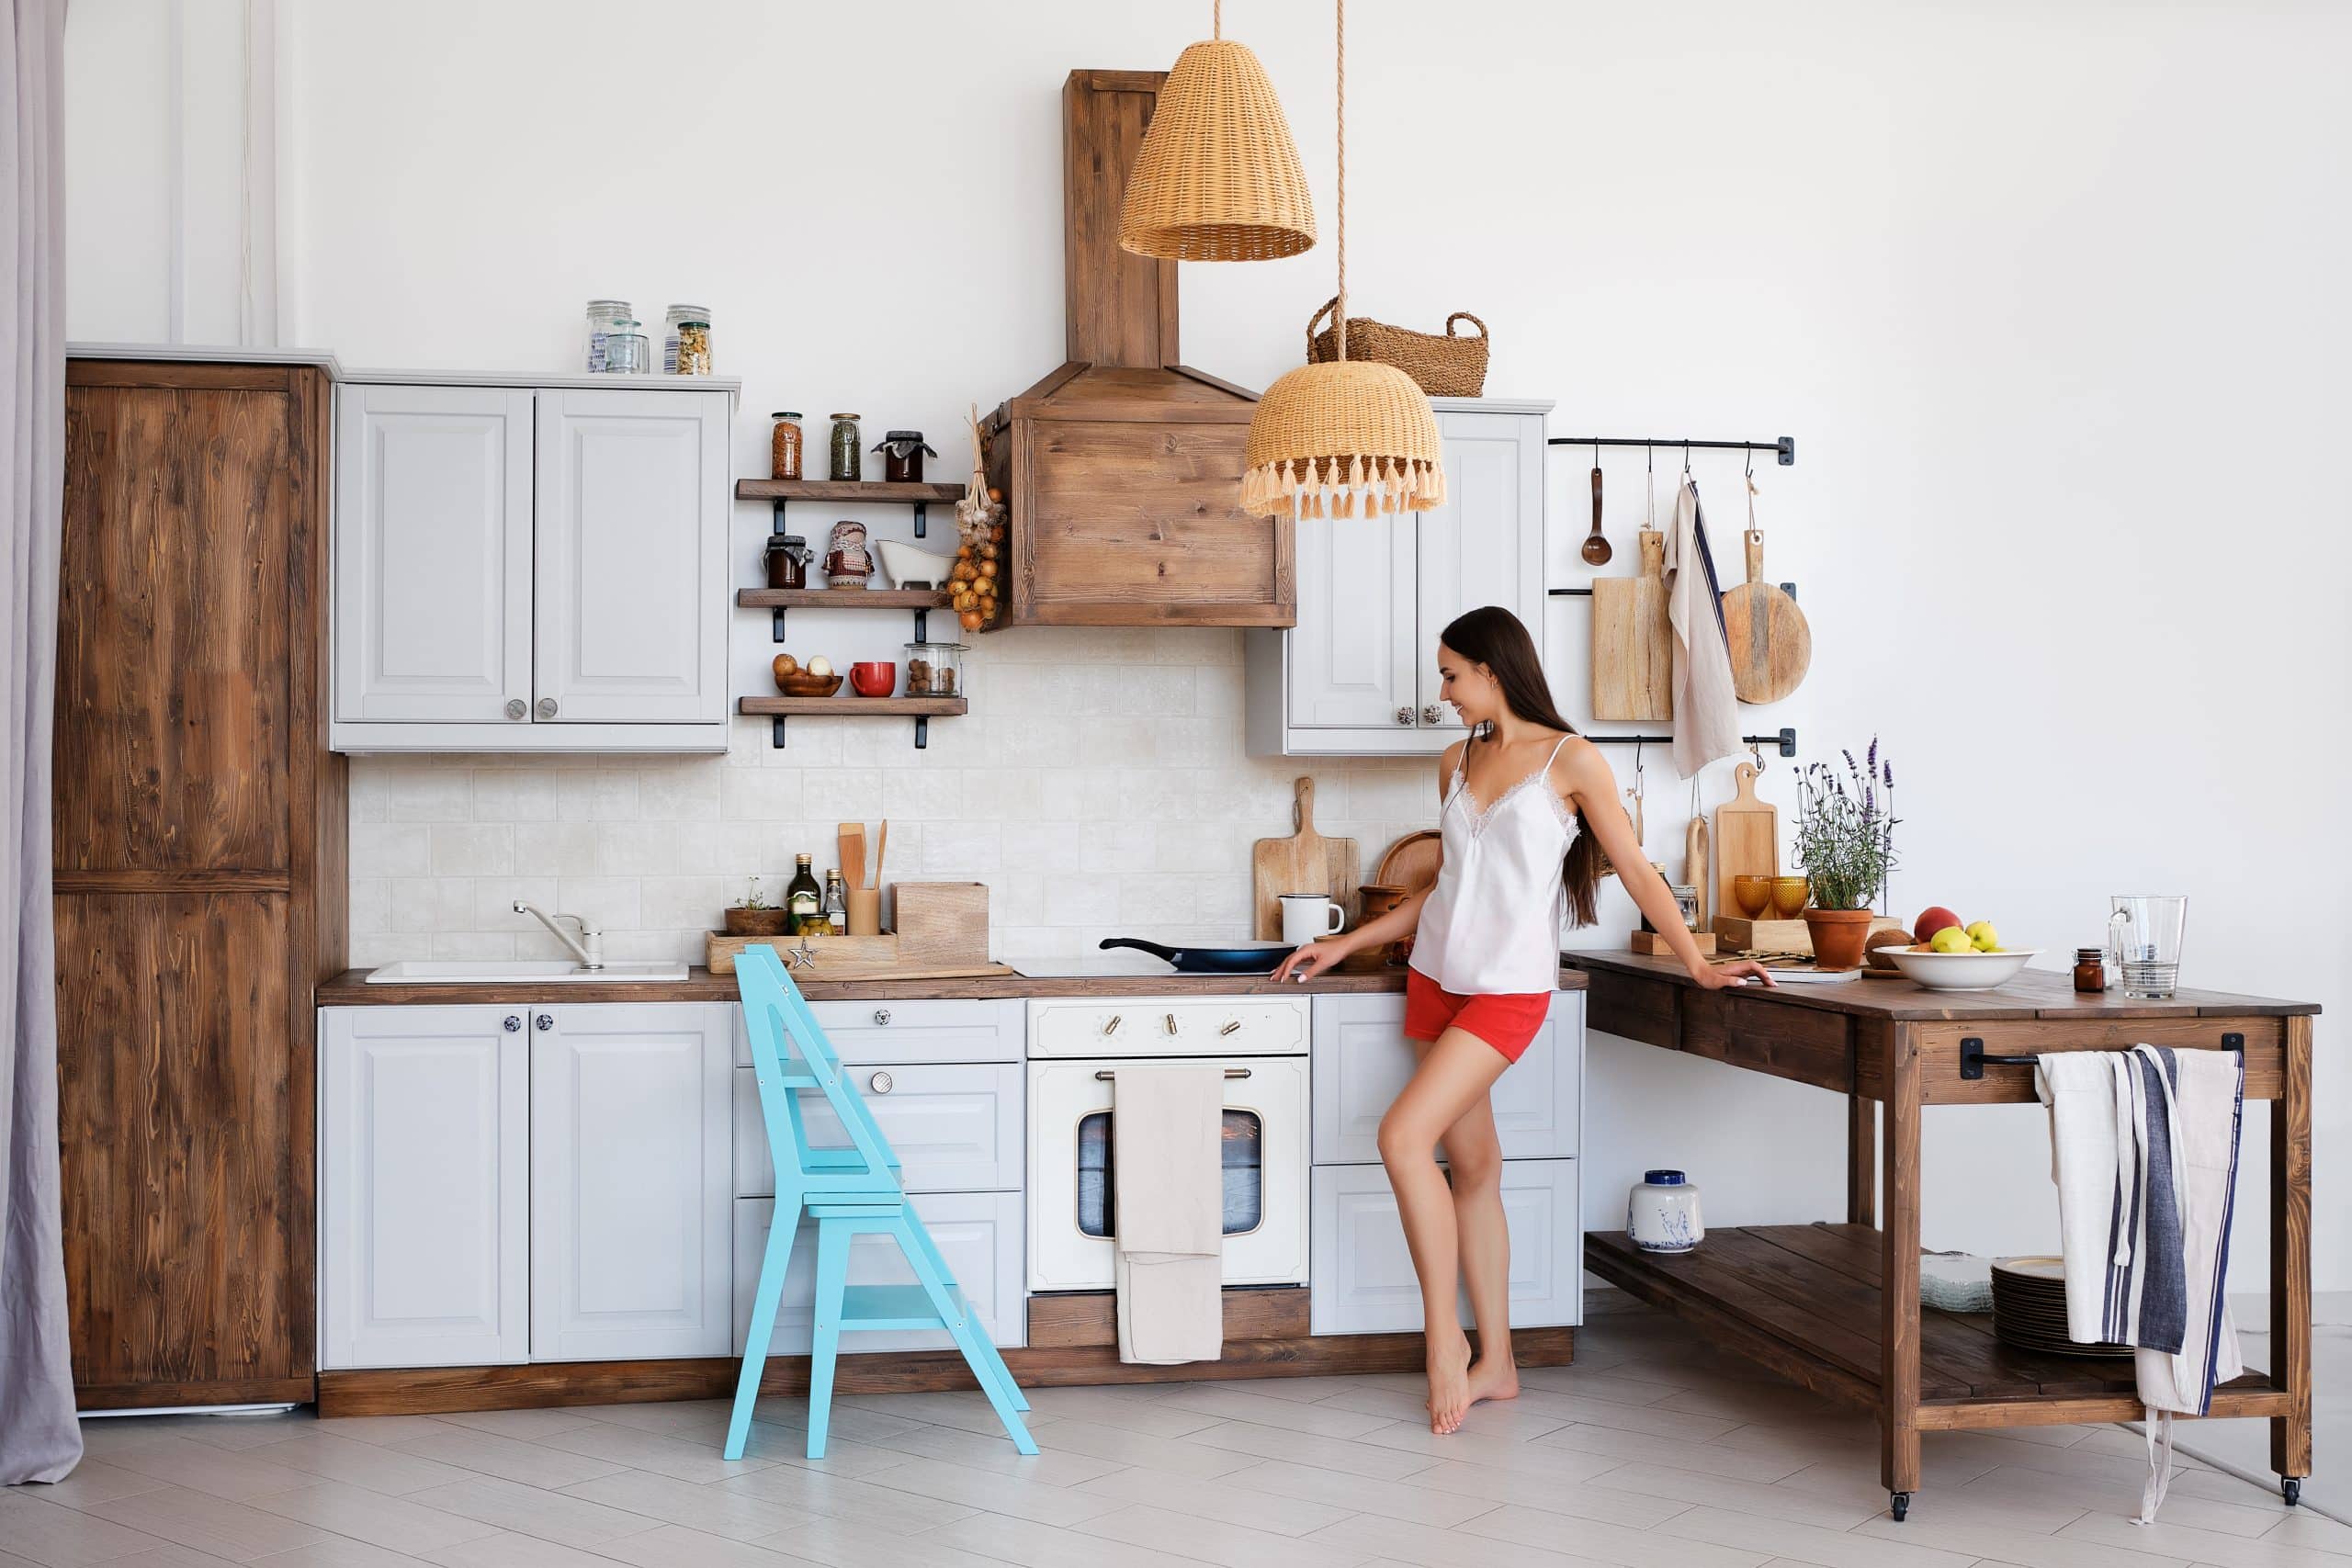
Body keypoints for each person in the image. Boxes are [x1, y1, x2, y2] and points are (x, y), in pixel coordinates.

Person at [1274, 605, 1773, 1434]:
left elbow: (1637, 871)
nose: (1442, 692)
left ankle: (1445, 1342)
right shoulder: (1456, 760)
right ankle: (1497, 1360)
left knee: (1402, 1139)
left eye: (1450, 674)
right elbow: (1446, 891)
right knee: (1472, 1168)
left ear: (1492, 672)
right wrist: (1344, 942)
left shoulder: (1571, 762)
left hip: (1508, 990)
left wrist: (1698, 961)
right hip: (1437, 978)